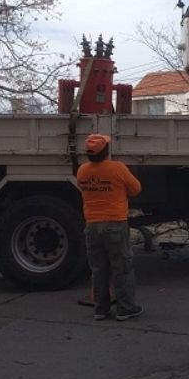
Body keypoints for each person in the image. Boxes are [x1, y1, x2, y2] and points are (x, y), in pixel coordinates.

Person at [76, 134, 143, 321]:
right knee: (122, 268)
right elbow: (136, 189)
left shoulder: (82, 171)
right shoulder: (118, 168)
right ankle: (125, 308)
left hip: (91, 225)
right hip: (115, 224)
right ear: (106, 151)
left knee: (98, 269)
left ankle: (100, 309)